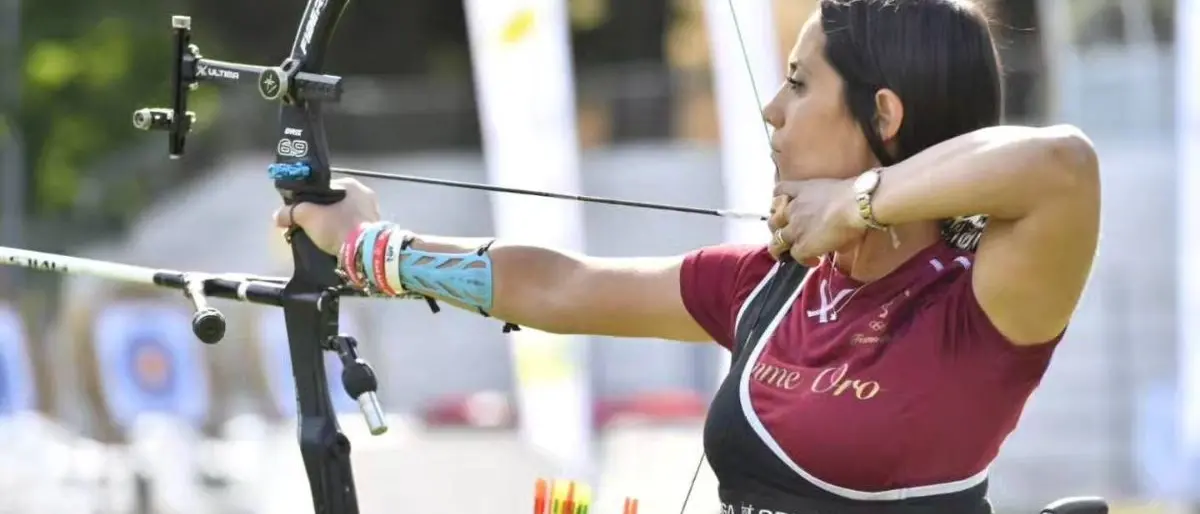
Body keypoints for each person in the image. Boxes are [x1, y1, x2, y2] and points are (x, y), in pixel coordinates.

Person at [274, 0, 1101, 512]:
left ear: (883, 114)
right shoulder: (771, 290)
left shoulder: (978, 306)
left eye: (799, 84)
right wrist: (370, 247)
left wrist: (854, 204)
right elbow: (562, 286)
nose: (772, 110)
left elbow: (1062, 163)